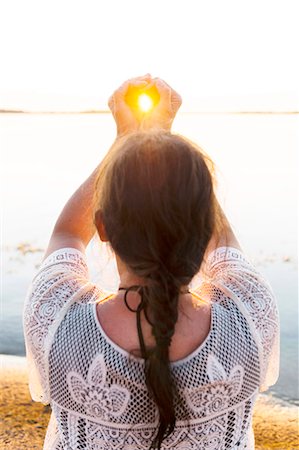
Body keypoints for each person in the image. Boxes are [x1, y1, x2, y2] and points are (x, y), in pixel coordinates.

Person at [23, 75, 279, 450]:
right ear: (206, 223)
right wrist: (164, 142)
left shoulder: (56, 323)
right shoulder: (251, 318)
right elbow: (223, 241)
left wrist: (125, 139)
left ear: (104, 226)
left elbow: (67, 235)